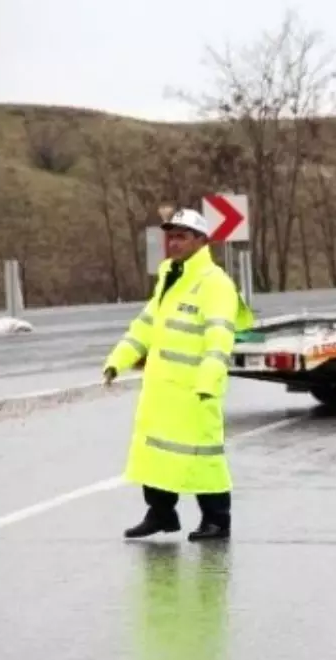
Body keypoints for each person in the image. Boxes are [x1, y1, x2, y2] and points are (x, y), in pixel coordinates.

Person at [103, 207, 254, 540]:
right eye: (171, 236)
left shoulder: (215, 284)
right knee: (155, 452)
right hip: (162, 389)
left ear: (202, 241)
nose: (173, 243)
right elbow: (145, 326)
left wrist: (207, 383)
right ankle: (161, 514)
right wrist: (118, 360)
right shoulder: (170, 277)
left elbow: (219, 336)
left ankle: (216, 520)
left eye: (182, 236)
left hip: (195, 390)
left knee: (203, 457)